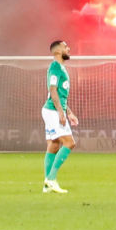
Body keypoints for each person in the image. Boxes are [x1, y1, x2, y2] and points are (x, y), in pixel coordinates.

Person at [42, 38, 79, 195]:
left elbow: (60, 95)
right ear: (57, 51)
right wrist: (60, 112)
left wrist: (69, 112)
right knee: (69, 143)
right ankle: (51, 179)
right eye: (65, 47)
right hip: (52, 111)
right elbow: (53, 90)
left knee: (54, 145)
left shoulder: (62, 68)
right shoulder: (55, 67)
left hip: (53, 110)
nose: (68, 48)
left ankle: (47, 185)